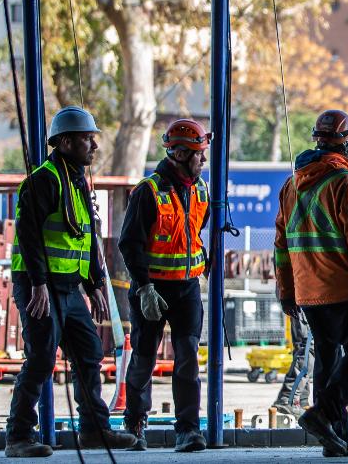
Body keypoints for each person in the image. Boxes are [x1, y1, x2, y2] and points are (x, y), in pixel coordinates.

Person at [5, 107, 138, 458]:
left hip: (68, 288)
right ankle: (18, 436)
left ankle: (95, 431)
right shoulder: (44, 180)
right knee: (41, 358)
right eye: (85, 139)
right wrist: (37, 284)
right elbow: (30, 235)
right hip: (40, 287)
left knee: (88, 352)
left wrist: (94, 283)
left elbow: (85, 238)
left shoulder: (76, 181)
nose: (93, 146)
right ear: (65, 142)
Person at [274, 109, 348, 457]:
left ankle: (336, 439)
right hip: (343, 289)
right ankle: (323, 415)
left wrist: (286, 290)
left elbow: (281, 245)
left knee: (327, 359)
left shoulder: (291, 184)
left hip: (308, 293)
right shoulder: (346, 182)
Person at [117, 119, 213, 452]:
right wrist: (143, 288)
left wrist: (206, 260)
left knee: (187, 358)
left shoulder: (201, 189)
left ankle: (188, 430)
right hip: (153, 289)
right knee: (144, 358)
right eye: (198, 155)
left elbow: (195, 233)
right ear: (180, 153)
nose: (203, 161)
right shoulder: (149, 191)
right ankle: (135, 424)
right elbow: (129, 243)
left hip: (186, 289)